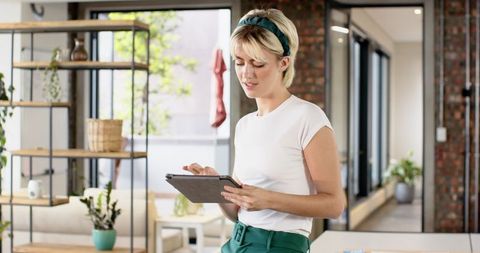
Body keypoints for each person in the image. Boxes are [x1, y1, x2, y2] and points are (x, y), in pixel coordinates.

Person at [183, 8, 346, 253]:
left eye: (257, 63)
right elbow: (239, 214)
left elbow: (334, 204)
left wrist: (268, 199)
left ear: (284, 63)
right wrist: (216, 187)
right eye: (239, 62)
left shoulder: (308, 118)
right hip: (237, 243)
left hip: (280, 246)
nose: (246, 73)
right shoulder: (245, 125)